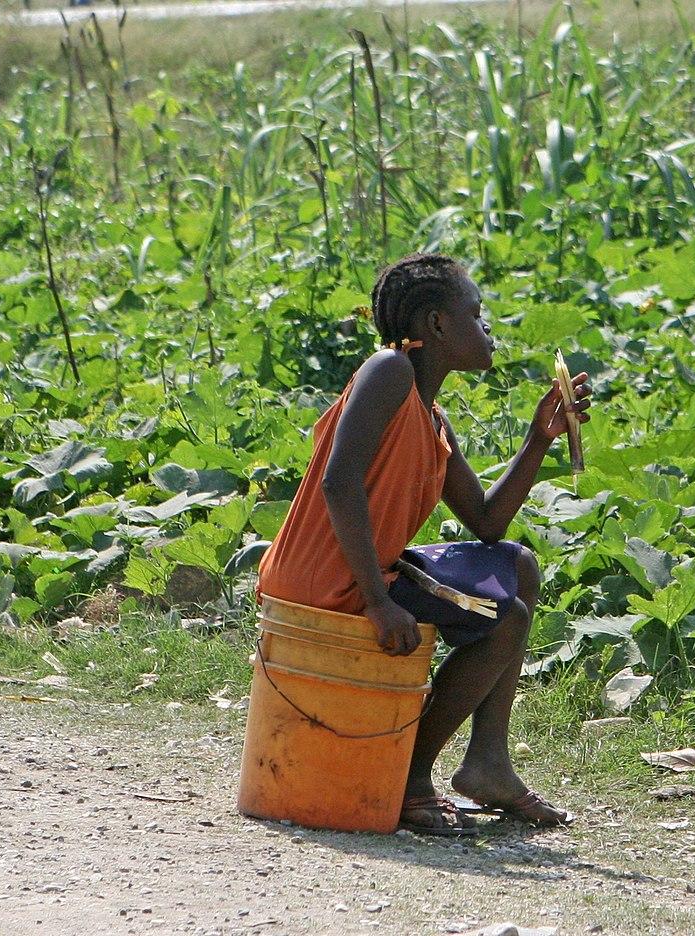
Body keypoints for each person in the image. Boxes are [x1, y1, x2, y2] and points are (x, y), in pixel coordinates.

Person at [257, 253, 591, 835]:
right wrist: (377, 601)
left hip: (363, 572)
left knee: (516, 567)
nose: (487, 329)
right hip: (326, 580)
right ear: (437, 325)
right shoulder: (388, 372)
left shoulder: (431, 416)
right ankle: (410, 776)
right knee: (504, 618)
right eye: (476, 313)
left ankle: (488, 762)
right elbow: (339, 481)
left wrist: (540, 439)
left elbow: (487, 523)